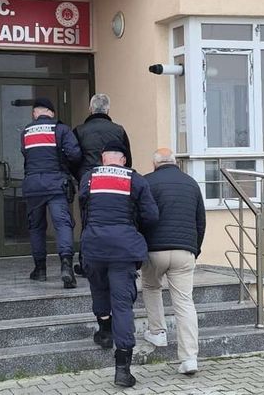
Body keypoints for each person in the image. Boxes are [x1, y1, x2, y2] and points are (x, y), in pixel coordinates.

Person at [78, 141, 159, 388]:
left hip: (94, 247)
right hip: (124, 249)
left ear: (103, 158)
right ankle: (122, 369)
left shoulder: (89, 178)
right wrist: (133, 227)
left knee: (99, 290)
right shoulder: (135, 180)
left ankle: (105, 331)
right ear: (123, 160)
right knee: (122, 306)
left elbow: (84, 209)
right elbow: (151, 216)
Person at [141, 147, 206, 376]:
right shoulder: (191, 183)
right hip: (184, 251)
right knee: (185, 302)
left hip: (154, 250)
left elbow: (140, 216)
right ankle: (189, 358)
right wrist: (195, 249)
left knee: (151, 286)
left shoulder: (146, 182)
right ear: (175, 162)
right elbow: (200, 221)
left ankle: (157, 332)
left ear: (154, 164)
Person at [21, 97, 82, 288]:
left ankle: (40, 269)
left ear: (35, 113)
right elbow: (75, 154)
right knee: (62, 224)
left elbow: (26, 154)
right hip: (56, 184)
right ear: (52, 113)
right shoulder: (61, 129)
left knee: (36, 227)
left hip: (33, 186)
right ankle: (66, 266)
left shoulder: (26, 131)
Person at [72, 93, 132, 276]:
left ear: (90, 109)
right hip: (116, 183)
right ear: (108, 110)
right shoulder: (119, 130)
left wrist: (81, 177)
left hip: (89, 182)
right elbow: (127, 159)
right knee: (115, 219)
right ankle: (114, 260)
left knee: (88, 221)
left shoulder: (79, 130)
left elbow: (73, 158)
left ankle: (86, 263)